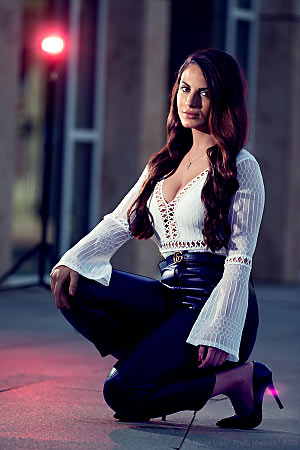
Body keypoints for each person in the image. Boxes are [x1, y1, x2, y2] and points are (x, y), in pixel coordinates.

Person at [50, 48, 283, 428]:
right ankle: (155, 356)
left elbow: (241, 258)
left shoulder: (241, 166)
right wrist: (70, 259)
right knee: (76, 283)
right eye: (185, 89)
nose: (190, 101)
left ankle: (240, 377)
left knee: (124, 394)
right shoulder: (164, 163)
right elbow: (117, 222)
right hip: (170, 294)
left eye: (204, 93)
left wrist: (220, 328)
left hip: (213, 299)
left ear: (224, 100)